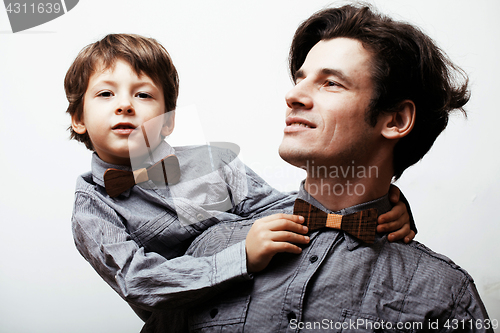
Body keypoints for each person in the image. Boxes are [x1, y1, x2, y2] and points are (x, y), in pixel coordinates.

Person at [65, 33, 415, 328]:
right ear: (79, 118)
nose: (125, 105)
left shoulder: (210, 163)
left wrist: (374, 205)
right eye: (105, 94)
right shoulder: (92, 205)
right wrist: (241, 256)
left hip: (255, 305)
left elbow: (289, 210)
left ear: (168, 122)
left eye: (143, 95)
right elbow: (137, 279)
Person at [181, 4, 493, 332]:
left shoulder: (444, 298)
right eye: (300, 79)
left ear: (396, 120)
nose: (293, 95)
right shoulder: (214, 244)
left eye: (330, 83)